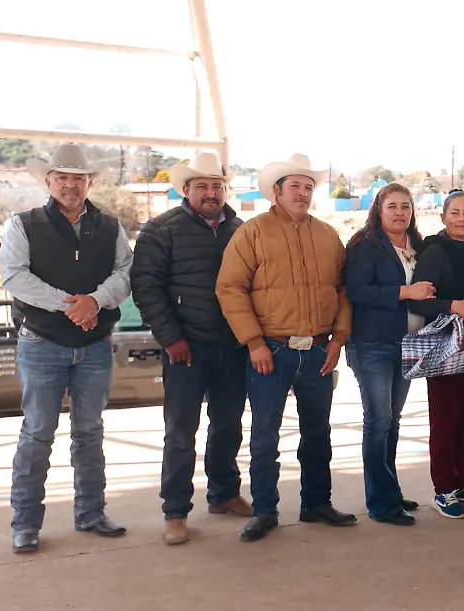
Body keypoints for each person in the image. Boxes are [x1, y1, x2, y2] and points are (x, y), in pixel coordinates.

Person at [216, 153, 356, 542]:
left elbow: (344, 290)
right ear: (276, 192)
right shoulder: (252, 233)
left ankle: (316, 503)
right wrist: (254, 342)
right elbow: (230, 288)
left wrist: (338, 339)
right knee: (264, 437)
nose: (303, 193)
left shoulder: (328, 235)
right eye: (295, 186)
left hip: (317, 351)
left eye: (308, 187)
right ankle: (264, 510)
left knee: (317, 434)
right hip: (270, 352)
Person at [1, 143, 133, 553]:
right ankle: (25, 524)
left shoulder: (110, 226)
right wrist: (73, 305)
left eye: (78, 178)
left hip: (93, 345)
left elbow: (126, 272)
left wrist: (95, 301)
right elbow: (14, 276)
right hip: (42, 343)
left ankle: (91, 512)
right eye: (63, 177)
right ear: (48, 181)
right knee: (38, 434)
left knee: (90, 433)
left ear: (89, 182)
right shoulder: (23, 224)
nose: (71, 185)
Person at [131, 152, 251, 546]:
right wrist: (171, 338)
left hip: (232, 346)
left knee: (229, 426)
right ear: (185, 190)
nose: (211, 192)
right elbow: (146, 288)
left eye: (217, 186)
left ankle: (224, 494)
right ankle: (176, 510)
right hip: (186, 348)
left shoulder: (241, 229)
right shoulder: (160, 230)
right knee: (181, 431)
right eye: (202, 186)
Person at [344, 183, 435, 527]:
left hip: (408, 344)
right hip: (372, 344)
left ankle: (390, 490)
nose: (399, 212)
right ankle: (380, 503)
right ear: (378, 210)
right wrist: (406, 291)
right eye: (392, 206)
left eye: (406, 206)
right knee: (378, 420)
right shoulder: (364, 245)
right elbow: (358, 291)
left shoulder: (419, 246)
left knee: (392, 422)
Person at [410, 190, 464, 519]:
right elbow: (419, 299)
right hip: (446, 348)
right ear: (443, 217)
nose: (462, 218)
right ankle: (443, 487)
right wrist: (452, 306)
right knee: (446, 419)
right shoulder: (435, 252)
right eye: (455, 213)